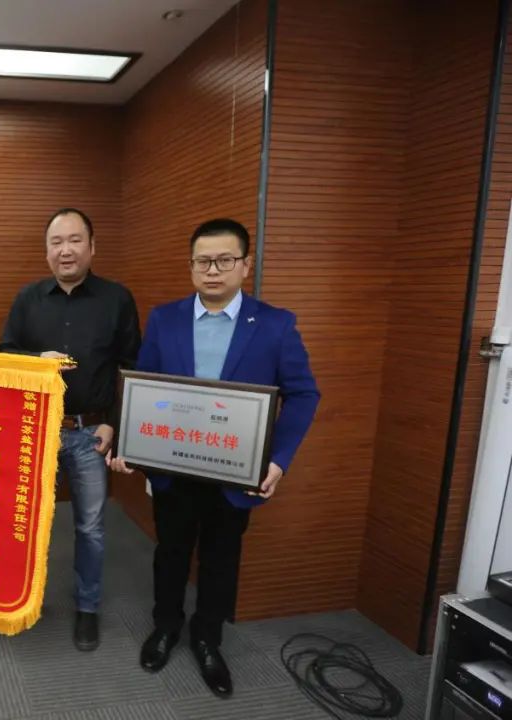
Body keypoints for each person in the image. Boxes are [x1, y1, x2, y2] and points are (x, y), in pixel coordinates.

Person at [108, 218, 319, 697]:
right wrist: (129, 446)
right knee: (170, 552)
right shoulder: (165, 319)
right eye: (203, 261)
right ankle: (166, 627)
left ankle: (207, 638)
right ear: (191, 266)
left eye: (225, 260)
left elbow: (304, 394)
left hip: (235, 473)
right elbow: (144, 387)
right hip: (174, 466)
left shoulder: (275, 324)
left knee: (222, 558)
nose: (213, 270)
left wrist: (278, 460)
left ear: (246, 265)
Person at [0, 208, 141, 652]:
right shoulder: (27, 298)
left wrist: (114, 422)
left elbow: (132, 367)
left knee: (91, 527)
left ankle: (87, 607)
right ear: (46, 251)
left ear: (92, 247)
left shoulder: (117, 299)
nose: (65, 250)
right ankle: (24, 599)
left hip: (91, 432)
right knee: (28, 522)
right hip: (35, 429)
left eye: (75, 240)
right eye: (56, 242)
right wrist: (33, 361)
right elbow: (4, 353)